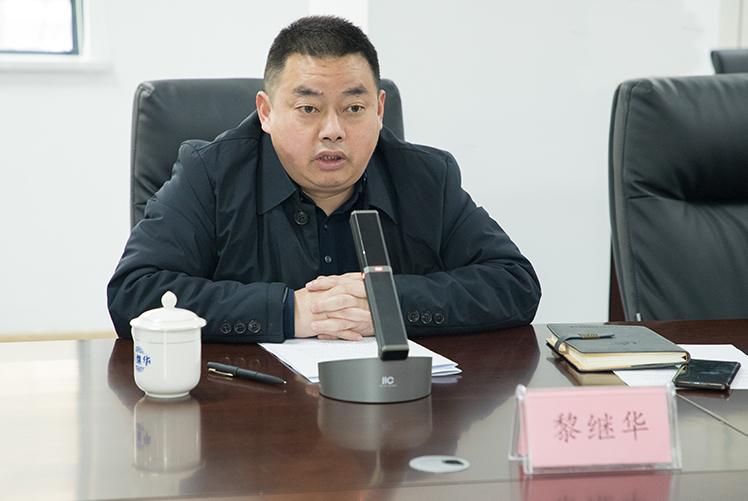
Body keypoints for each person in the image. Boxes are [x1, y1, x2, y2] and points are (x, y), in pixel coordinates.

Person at [107, 15, 541, 344]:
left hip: (392, 413)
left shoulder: (426, 177)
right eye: (308, 109)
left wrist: (387, 303)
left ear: (379, 110)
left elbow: (514, 284)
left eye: (353, 108)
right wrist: (288, 310)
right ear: (266, 112)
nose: (332, 130)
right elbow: (134, 292)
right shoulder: (210, 174)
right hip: (253, 416)